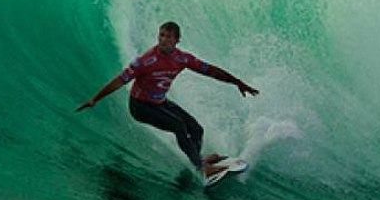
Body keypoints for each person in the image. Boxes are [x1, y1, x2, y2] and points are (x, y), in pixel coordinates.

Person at [76, 21, 259, 179]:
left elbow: (211, 70)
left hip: (159, 103)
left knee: (196, 129)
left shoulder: (182, 58)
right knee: (178, 125)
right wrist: (95, 99)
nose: (163, 39)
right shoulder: (145, 61)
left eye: (168, 37)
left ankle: (198, 159)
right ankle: (202, 168)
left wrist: (237, 82)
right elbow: (120, 80)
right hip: (140, 106)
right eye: (161, 35)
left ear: (177, 40)